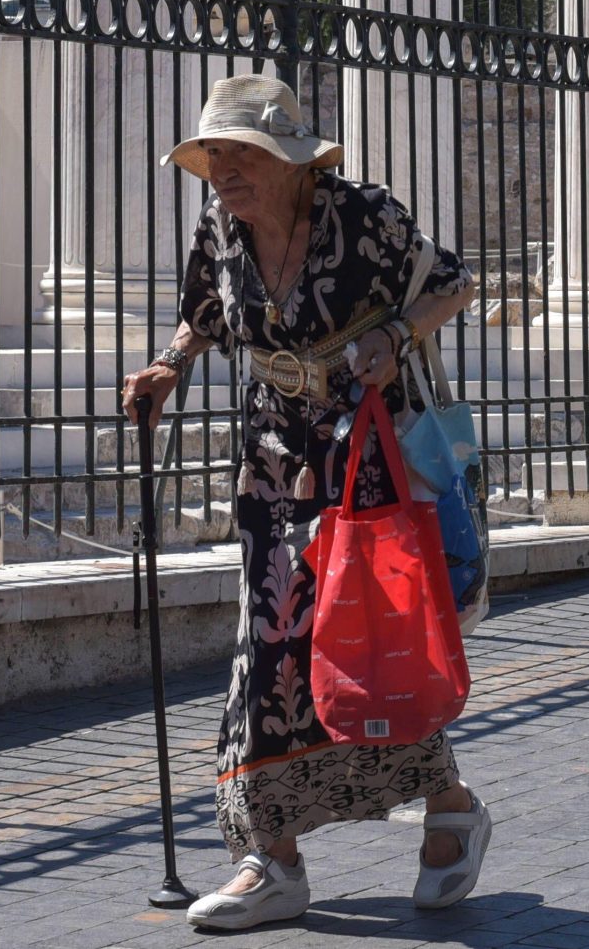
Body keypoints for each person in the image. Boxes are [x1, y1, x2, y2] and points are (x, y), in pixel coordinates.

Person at [122, 74, 488, 933]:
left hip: (363, 455)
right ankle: (270, 857)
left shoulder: (361, 216)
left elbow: (455, 282)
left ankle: (452, 804)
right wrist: (171, 365)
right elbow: (204, 313)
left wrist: (395, 336)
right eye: (213, 156)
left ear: (289, 161)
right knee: (271, 647)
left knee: (364, 648)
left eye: (239, 155)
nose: (222, 172)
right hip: (272, 460)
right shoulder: (222, 222)